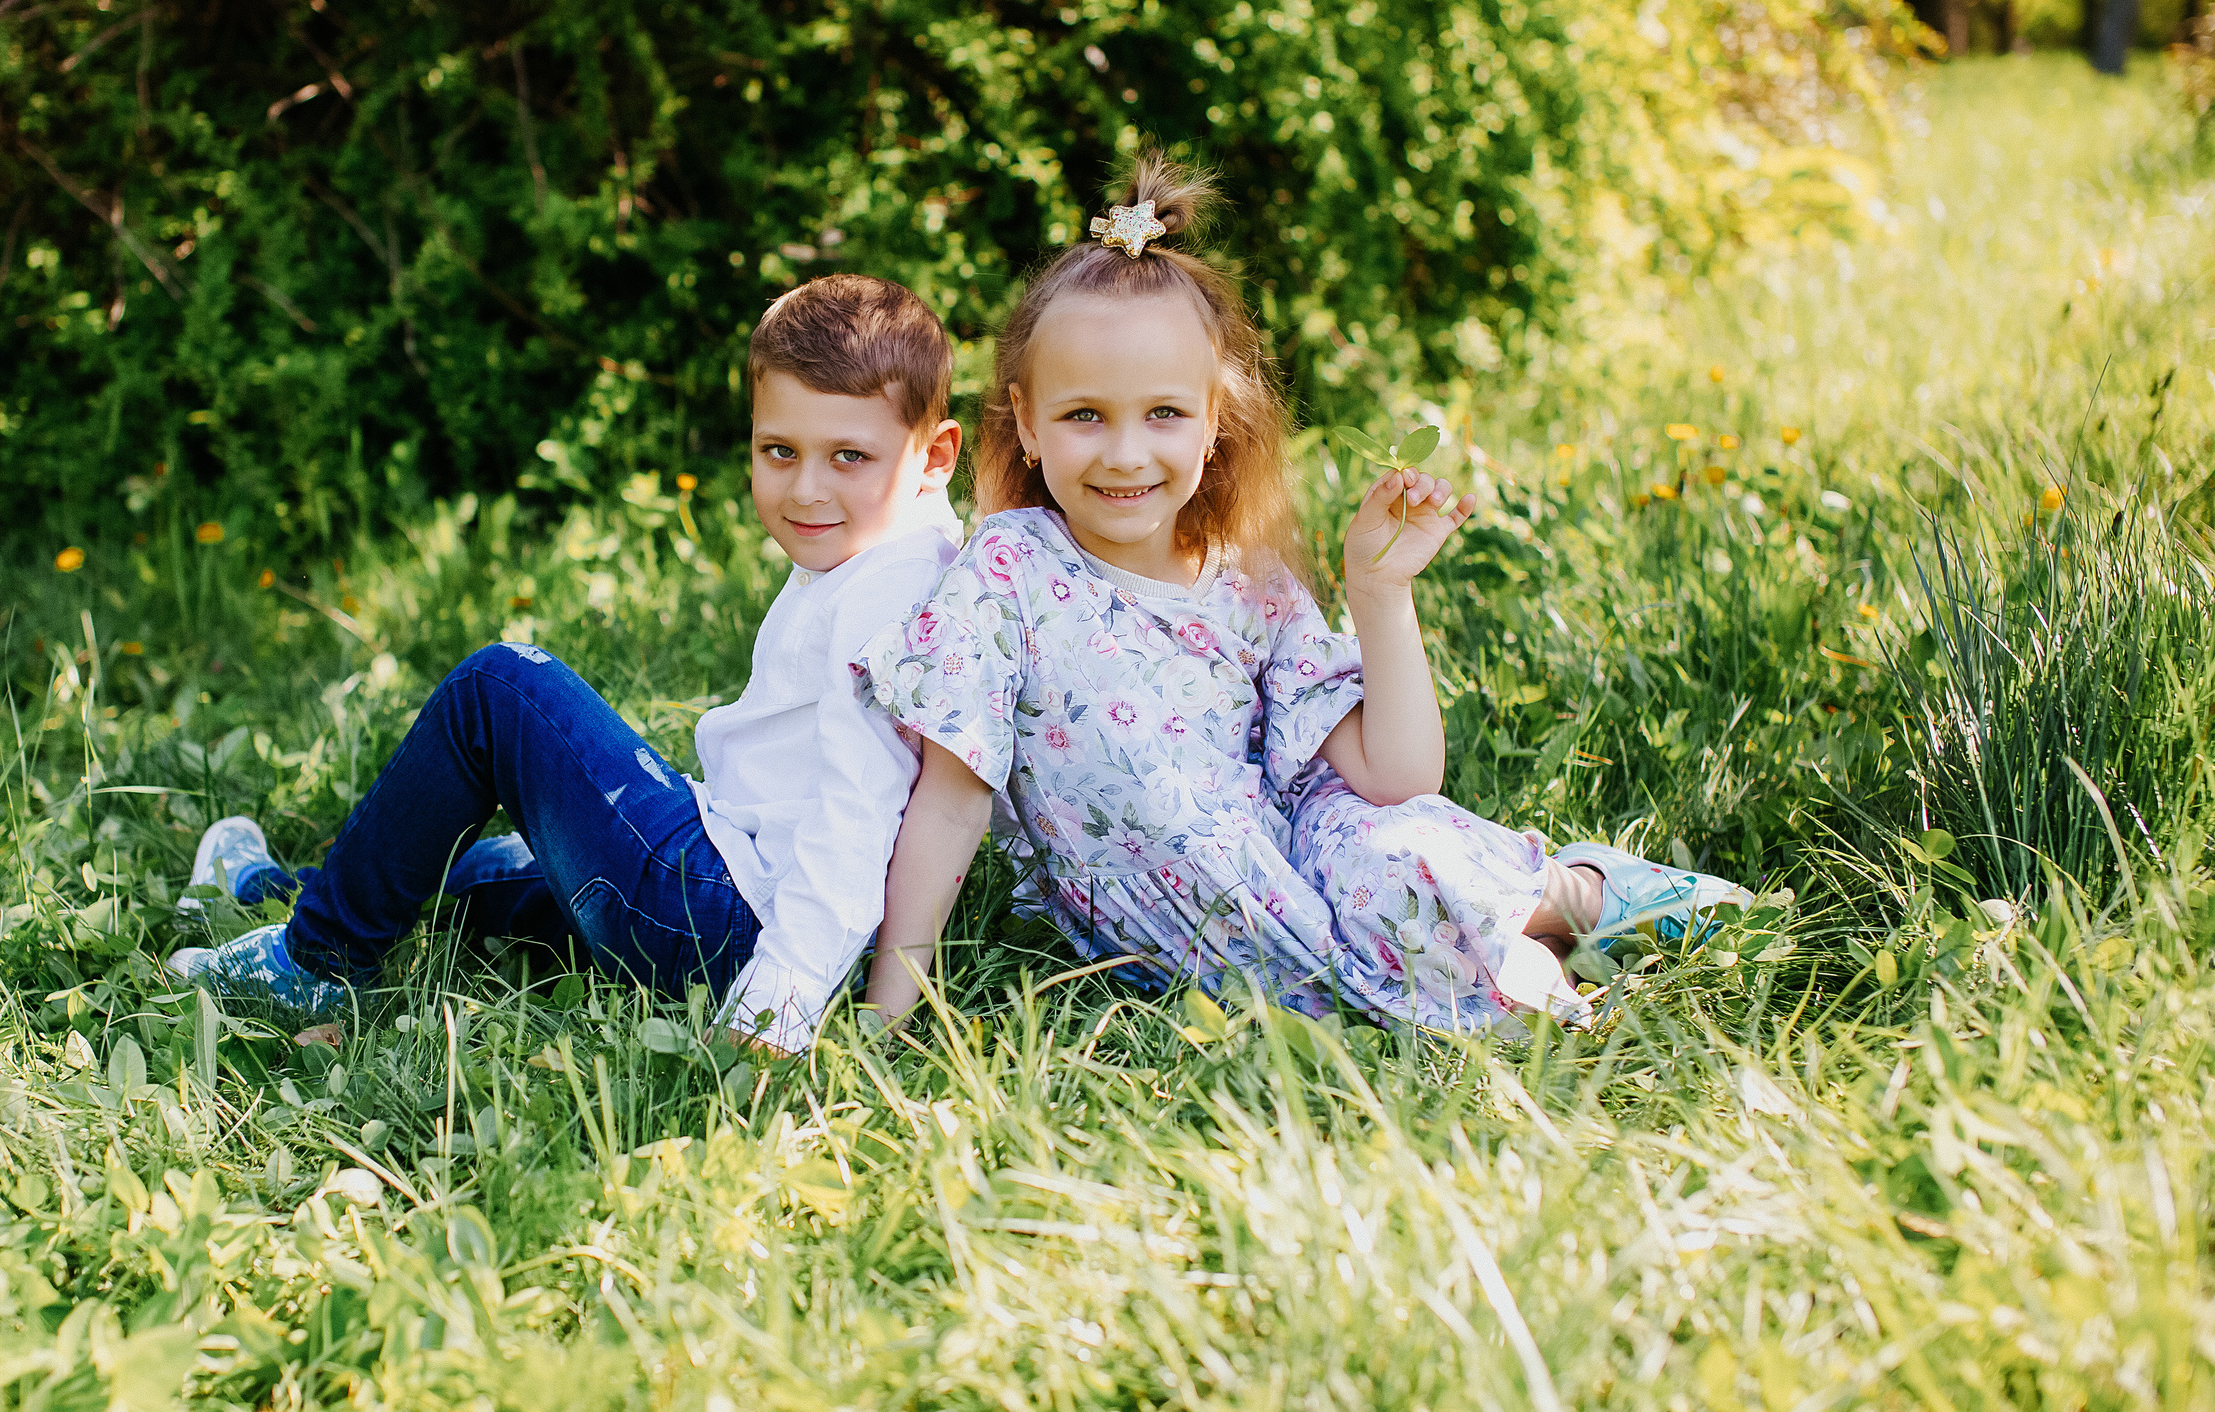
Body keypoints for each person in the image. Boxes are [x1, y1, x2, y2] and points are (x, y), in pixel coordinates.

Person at [855, 154, 1749, 1035]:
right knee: (1371, 947)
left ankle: (1585, 897)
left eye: (1164, 413)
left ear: (1214, 425)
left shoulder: (1248, 584)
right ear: (1029, 422)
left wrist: (1379, 590)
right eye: (1086, 413)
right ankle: (1527, 964)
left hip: (1306, 847)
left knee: (1407, 860)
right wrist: (888, 1011)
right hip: (1202, 912)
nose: (1126, 451)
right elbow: (952, 795)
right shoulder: (1012, 568)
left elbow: (1396, 779)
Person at [169, 273, 963, 1054]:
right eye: (779, 450)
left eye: (850, 456)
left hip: (726, 918)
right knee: (502, 868)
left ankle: (312, 961)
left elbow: (857, 821)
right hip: (730, 883)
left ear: (936, 456)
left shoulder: (887, 602)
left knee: (502, 686)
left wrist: (774, 1010)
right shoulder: (912, 541)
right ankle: (270, 893)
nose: (807, 489)